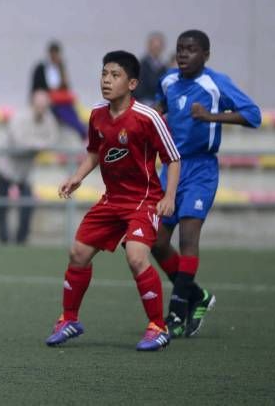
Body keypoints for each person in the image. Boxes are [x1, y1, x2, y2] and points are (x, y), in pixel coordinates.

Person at [45, 50, 181, 352]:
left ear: (132, 83)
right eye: (104, 74)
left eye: (115, 75)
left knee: (135, 257)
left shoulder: (148, 117)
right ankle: (68, 319)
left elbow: (172, 158)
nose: (106, 81)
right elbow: (94, 152)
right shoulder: (97, 114)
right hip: (112, 200)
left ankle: (158, 327)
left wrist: (169, 196)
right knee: (78, 252)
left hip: (143, 201)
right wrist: (77, 176)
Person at [152, 29, 261, 338]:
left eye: (191, 49)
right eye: (180, 49)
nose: (183, 54)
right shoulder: (169, 81)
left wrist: (212, 117)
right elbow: (162, 107)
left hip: (201, 169)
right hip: (171, 167)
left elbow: (254, 115)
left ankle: (175, 313)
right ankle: (196, 295)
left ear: (206, 55)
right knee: (156, 241)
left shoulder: (216, 83)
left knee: (188, 237)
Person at [0, 90, 59, 244]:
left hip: (24, 171)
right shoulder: (19, 118)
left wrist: (33, 144)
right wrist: (38, 144)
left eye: (44, 106)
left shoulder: (49, 119)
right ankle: (3, 240)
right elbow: (19, 143)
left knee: (28, 203)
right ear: (32, 104)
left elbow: (53, 140)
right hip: (4, 167)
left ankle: (20, 240)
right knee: (2, 204)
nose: (41, 109)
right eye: (39, 105)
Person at [31, 40, 87, 140]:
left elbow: (66, 86)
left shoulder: (60, 67)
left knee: (70, 110)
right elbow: (37, 87)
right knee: (62, 110)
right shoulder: (41, 68)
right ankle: (81, 130)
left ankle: (81, 130)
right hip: (49, 98)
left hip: (60, 98)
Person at [134, 32, 168, 104]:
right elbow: (139, 89)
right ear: (149, 46)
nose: (156, 49)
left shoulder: (164, 67)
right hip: (144, 101)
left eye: (158, 47)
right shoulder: (141, 66)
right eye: (155, 47)